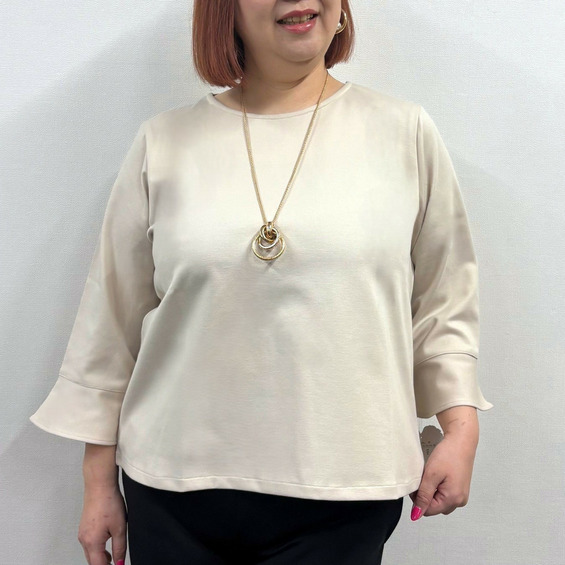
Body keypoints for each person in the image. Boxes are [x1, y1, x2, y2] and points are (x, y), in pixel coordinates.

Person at [29, 1, 494, 564]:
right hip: (174, 490)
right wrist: (97, 482)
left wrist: (460, 429)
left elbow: (445, 301)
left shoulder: (404, 133)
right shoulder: (164, 142)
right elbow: (111, 322)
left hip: (344, 489)